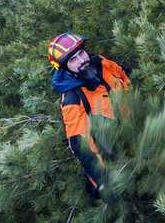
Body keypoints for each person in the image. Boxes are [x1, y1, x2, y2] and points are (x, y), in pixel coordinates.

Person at [47, 32, 131, 202]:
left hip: (134, 130)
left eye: (81, 54)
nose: (81, 60)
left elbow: (123, 76)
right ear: (64, 68)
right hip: (114, 154)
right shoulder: (72, 97)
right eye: (73, 60)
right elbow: (81, 144)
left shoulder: (100, 63)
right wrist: (103, 180)